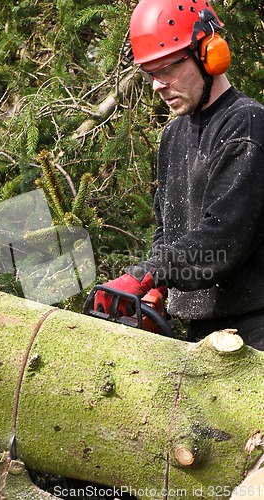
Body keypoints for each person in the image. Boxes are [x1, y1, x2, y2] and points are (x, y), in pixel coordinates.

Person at [94, 0, 264, 350]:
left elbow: (223, 237)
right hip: (199, 332)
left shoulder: (246, 124)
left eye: (167, 68)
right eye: (150, 73)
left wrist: (147, 274)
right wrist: (159, 289)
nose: (157, 85)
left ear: (208, 54)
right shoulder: (173, 136)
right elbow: (167, 229)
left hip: (254, 331)